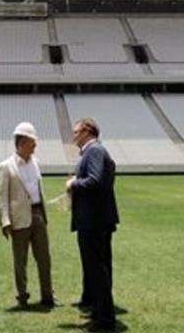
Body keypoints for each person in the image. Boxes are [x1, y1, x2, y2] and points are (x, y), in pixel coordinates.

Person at [65, 117, 119, 332]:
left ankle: (105, 319)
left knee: (97, 270)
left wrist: (73, 184)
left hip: (93, 222)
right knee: (99, 269)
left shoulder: (94, 151)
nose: (74, 136)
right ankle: (99, 311)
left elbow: (95, 181)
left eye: (76, 131)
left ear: (87, 131)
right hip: (97, 220)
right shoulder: (96, 151)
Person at [0, 122, 55, 308]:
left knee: (44, 258)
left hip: (38, 215)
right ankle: (22, 296)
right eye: (32, 142)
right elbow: (2, 197)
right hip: (19, 218)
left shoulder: (36, 163)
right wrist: (5, 221)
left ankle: (48, 296)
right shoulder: (6, 167)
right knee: (20, 261)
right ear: (22, 143)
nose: (35, 146)